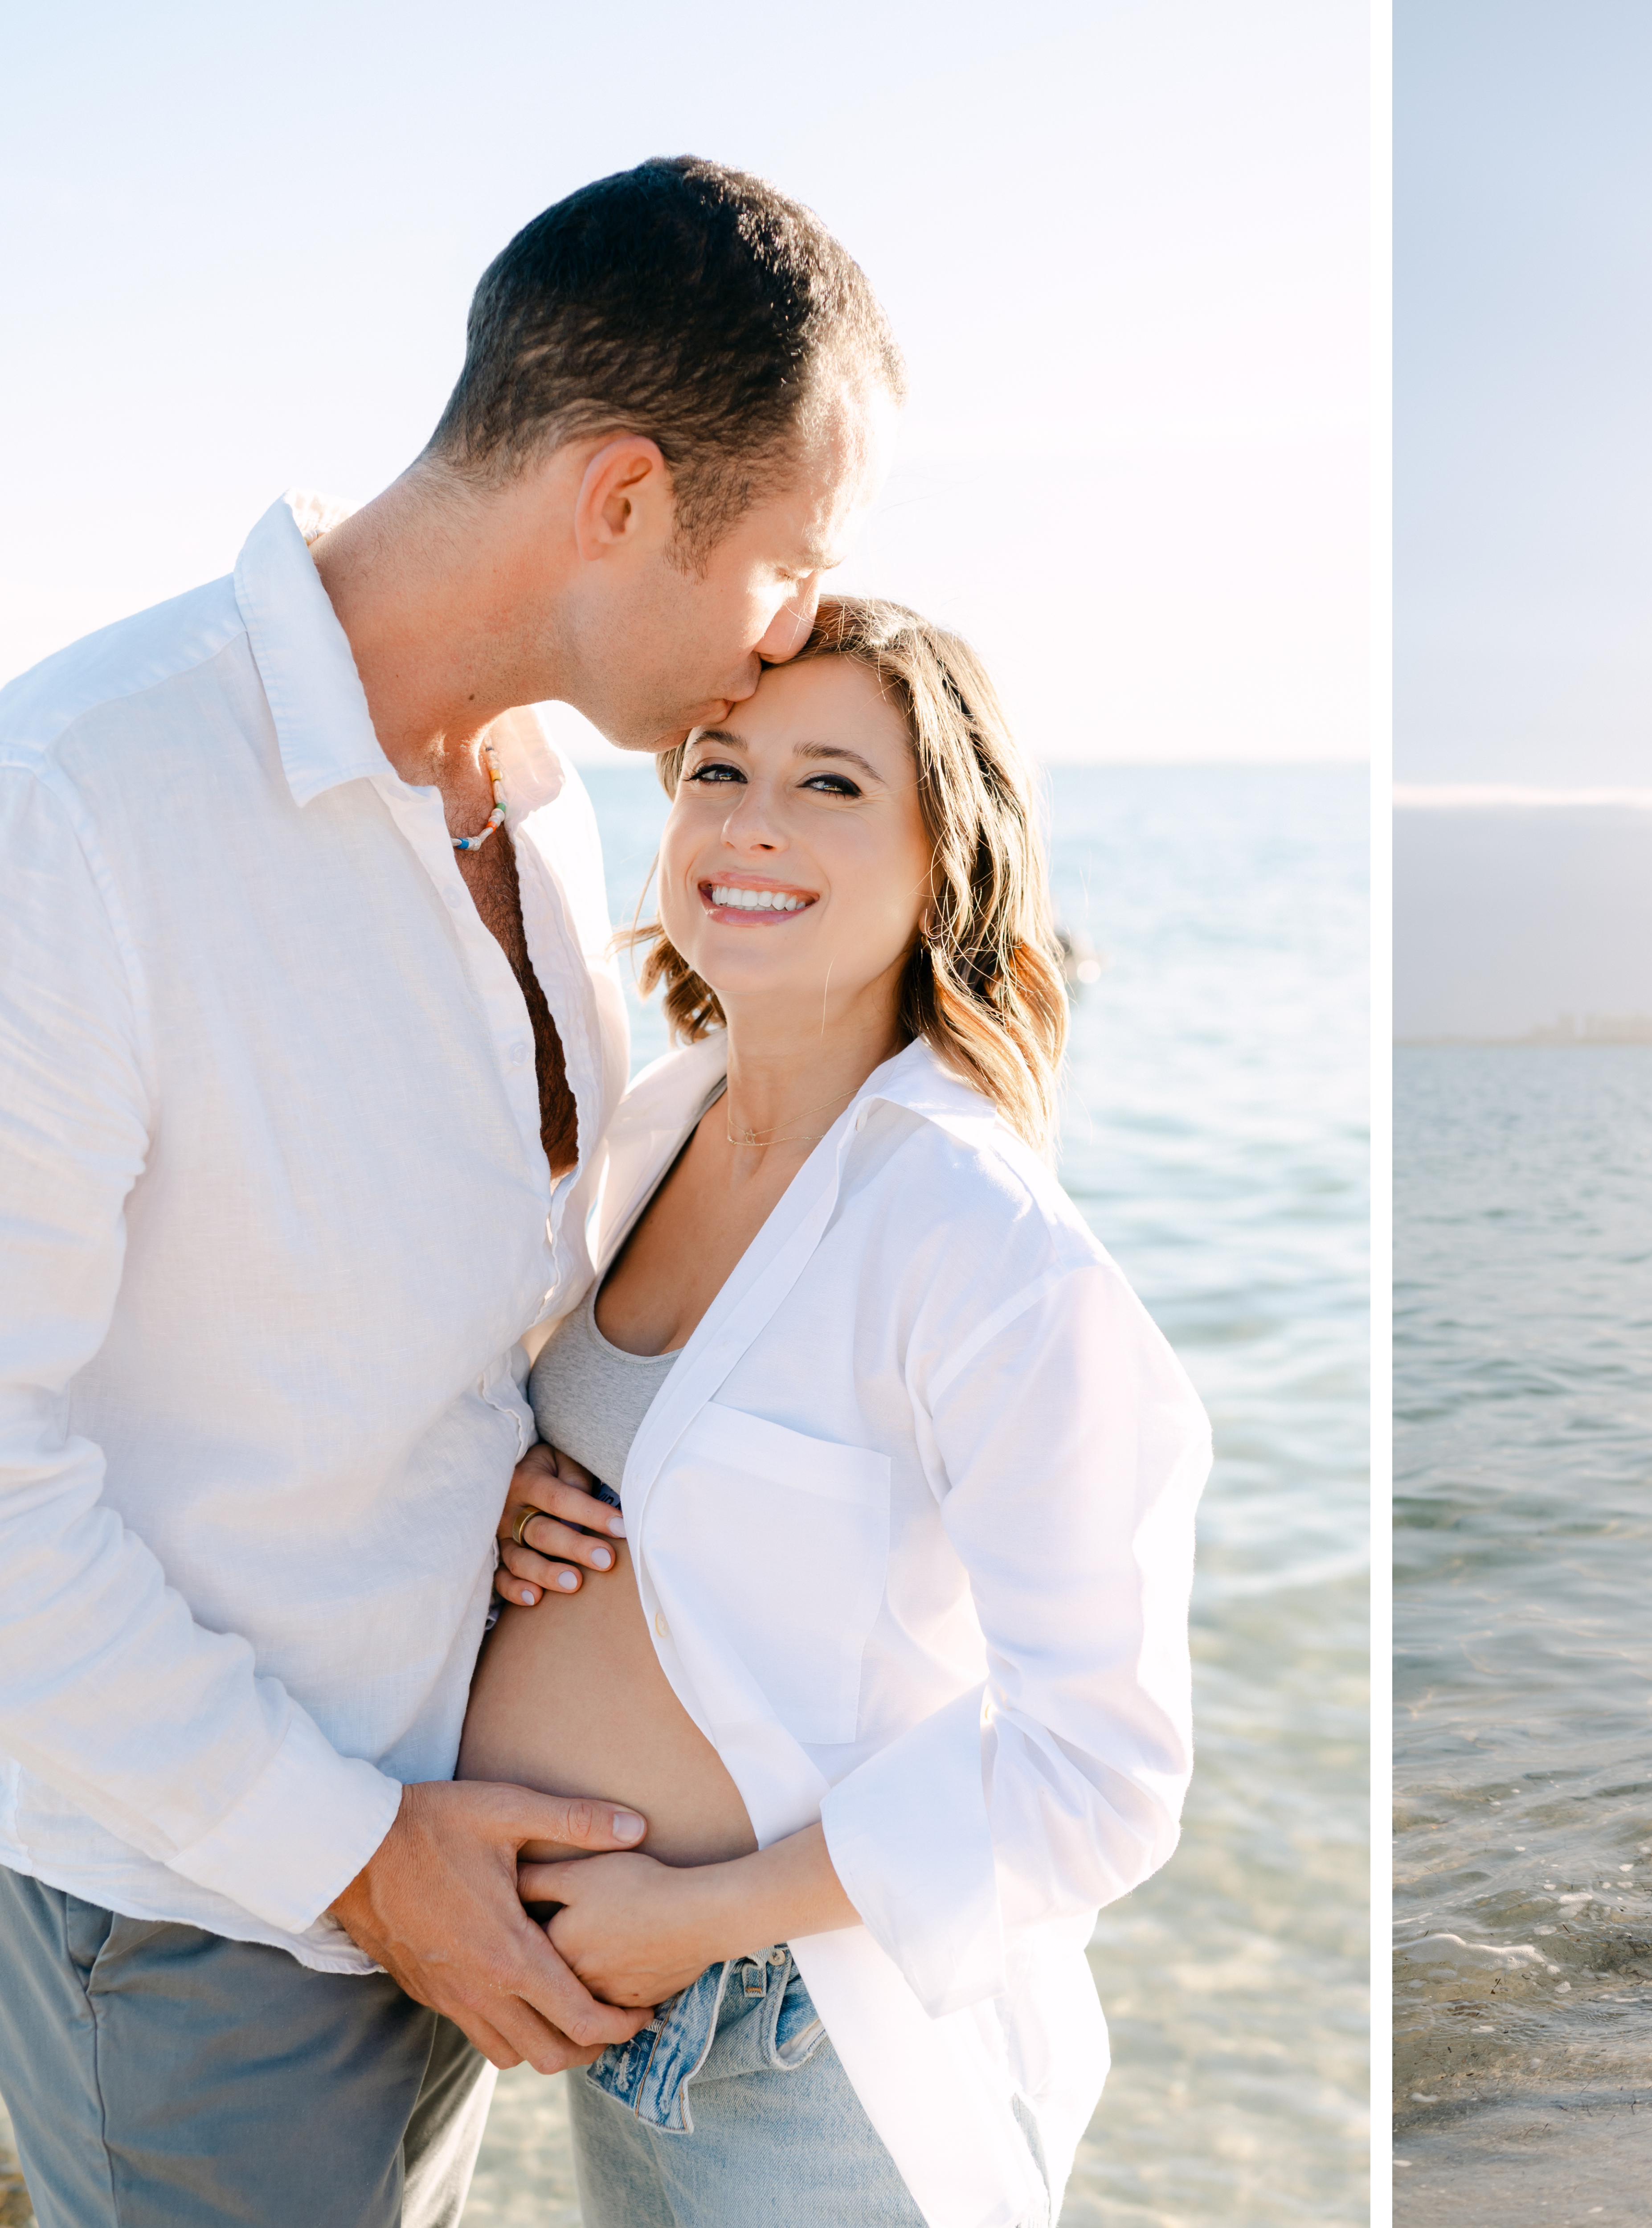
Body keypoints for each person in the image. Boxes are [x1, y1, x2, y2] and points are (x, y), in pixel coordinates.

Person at [0, 157, 900, 2225]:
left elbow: (426, 1282)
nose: (804, 629)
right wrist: (347, 1852)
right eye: (790, 558)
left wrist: (457, 1457)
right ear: (620, 498)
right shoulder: (80, 805)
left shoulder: (549, 812)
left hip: (450, 1867)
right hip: (205, 1925)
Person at [459, 596, 1208, 2228]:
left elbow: (1105, 1772)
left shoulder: (979, 1237)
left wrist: (700, 1915)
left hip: (807, 2050)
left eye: (833, 786)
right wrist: (505, 1485)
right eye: (720, 769)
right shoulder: (655, 1127)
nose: (751, 824)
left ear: (949, 853)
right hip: (624, 2021)